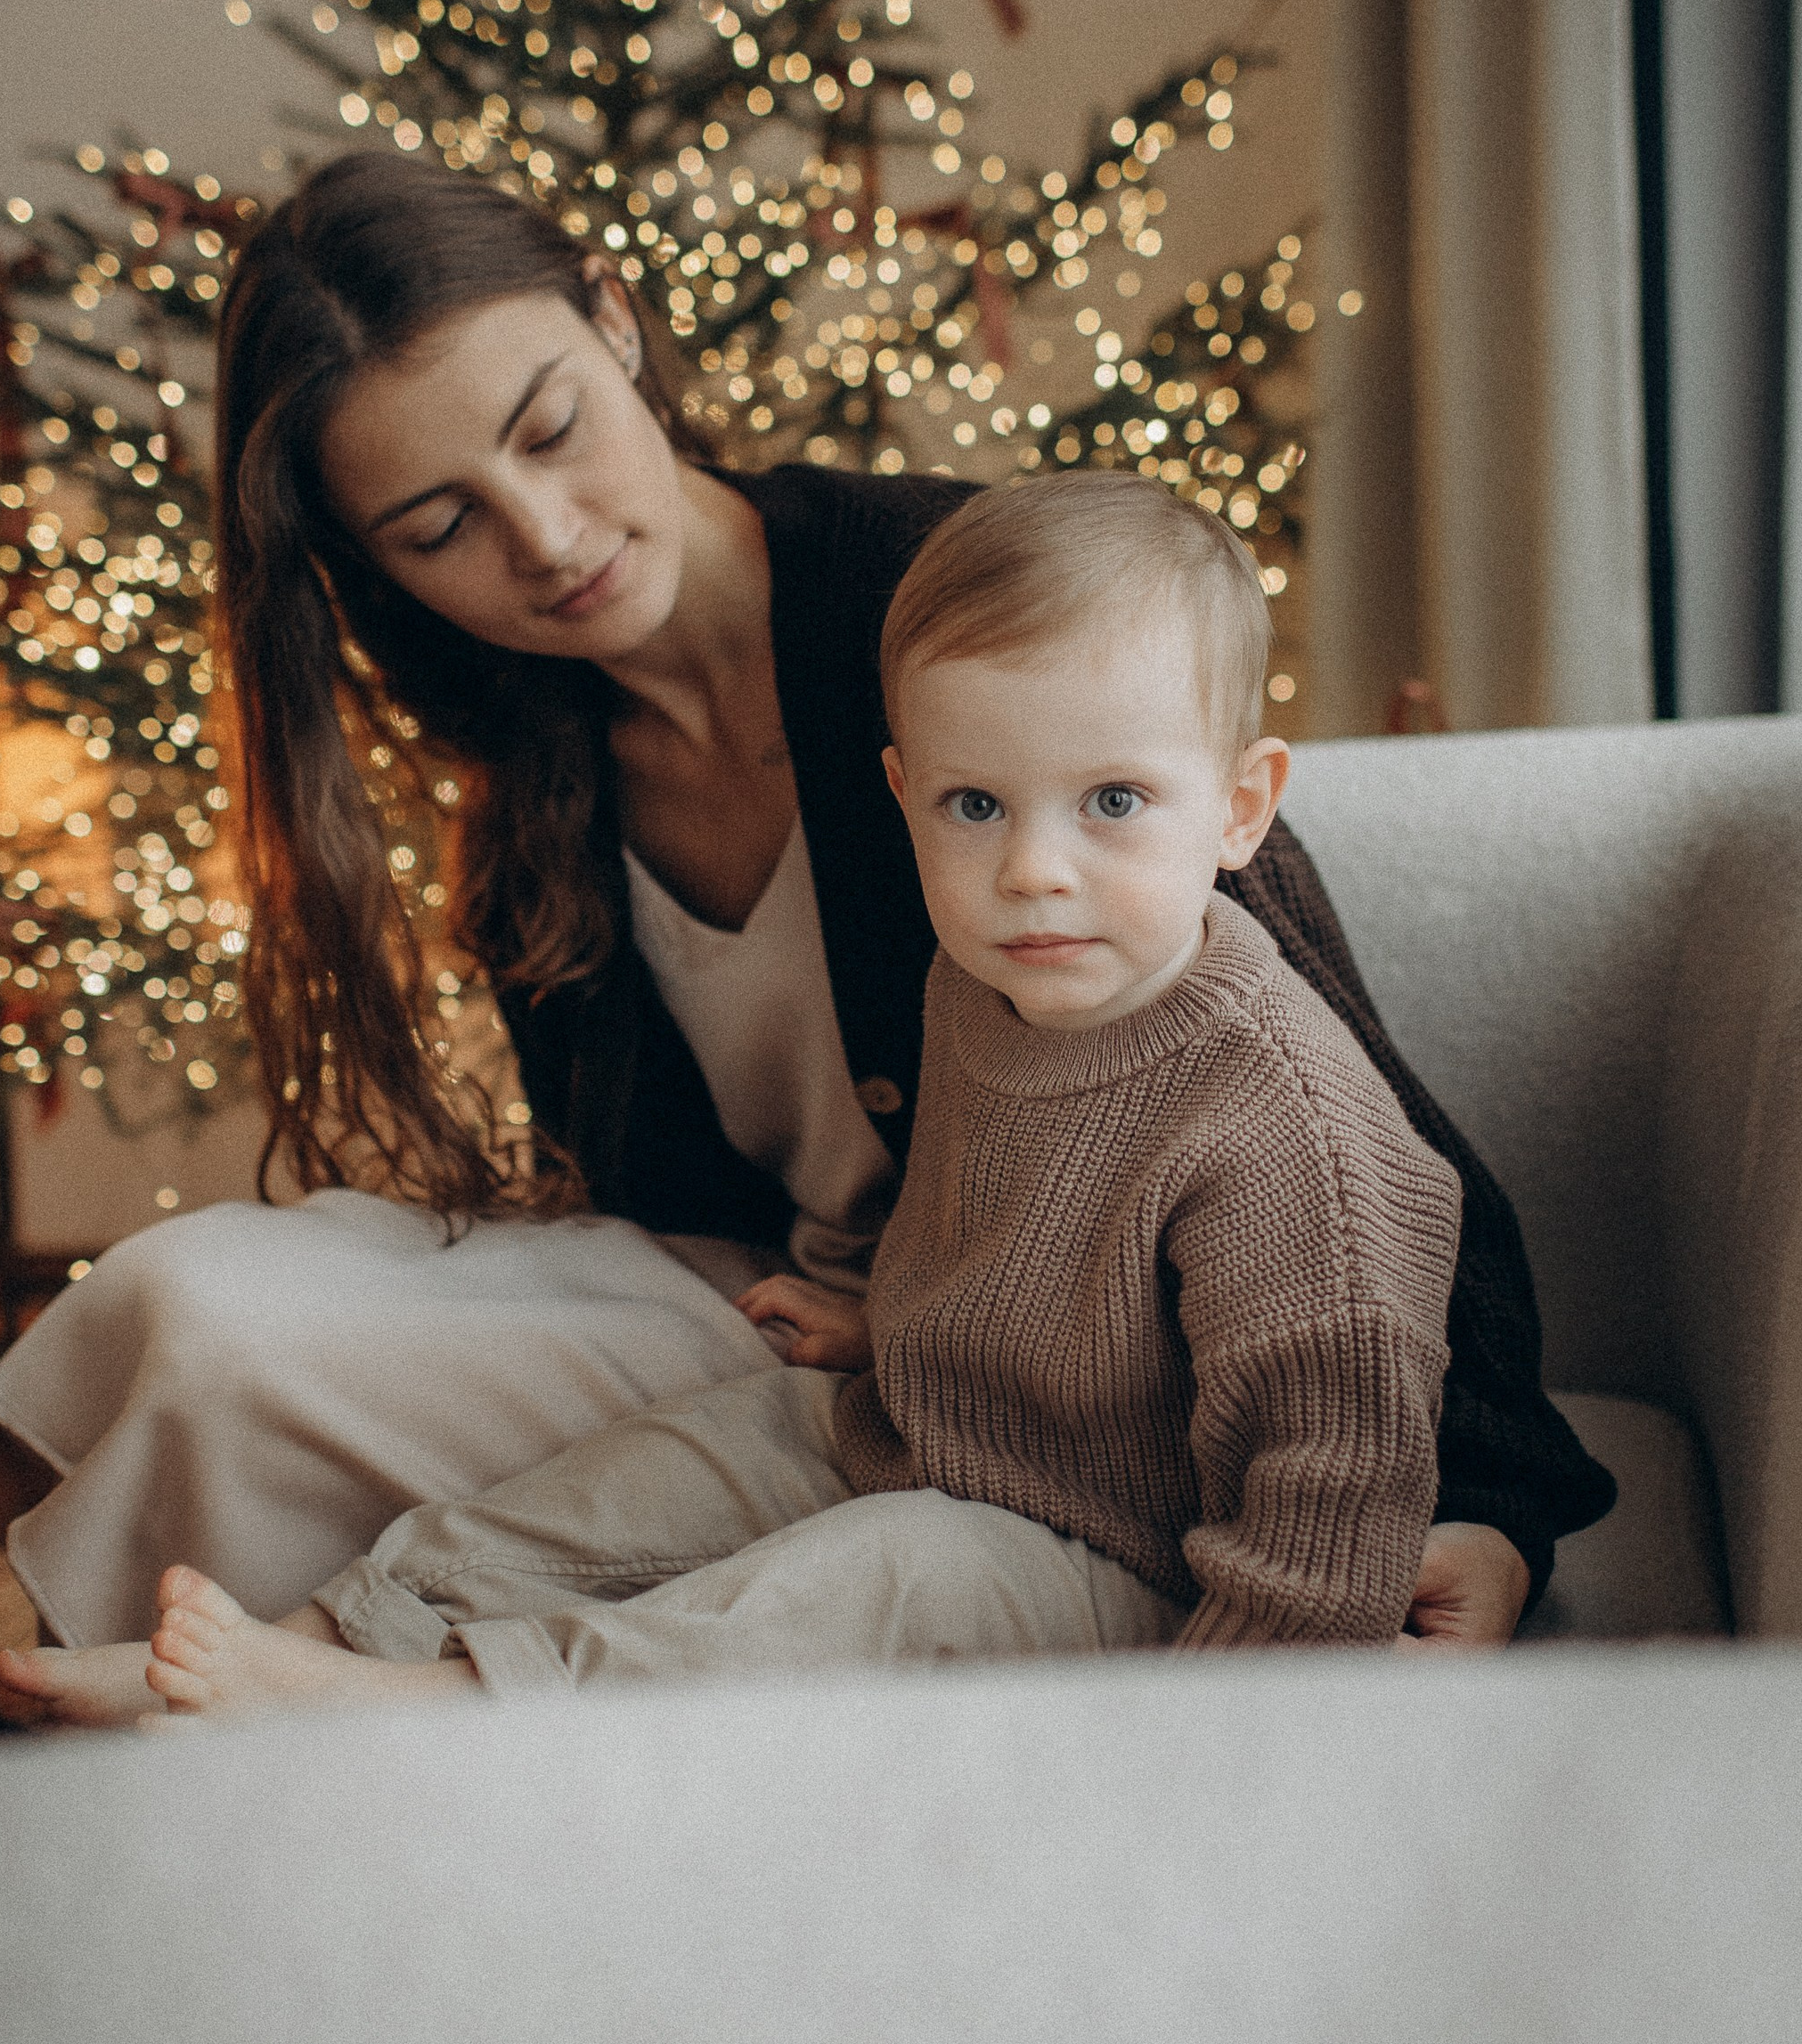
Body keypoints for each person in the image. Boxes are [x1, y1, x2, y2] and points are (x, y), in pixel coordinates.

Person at [0, 151, 1611, 1726]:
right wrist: (881, 1317)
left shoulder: (965, 623)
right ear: (370, 567)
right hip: (847, 1329)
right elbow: (680, 1207)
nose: (543, 539)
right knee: (197, 1307)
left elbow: (1358, 1157)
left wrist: (1484, 1508)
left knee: (839, 1570)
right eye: (437, 527)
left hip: (1079, 1436)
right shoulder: (530, 777)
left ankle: (401, 1708)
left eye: (550, 430)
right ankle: (258, 1664)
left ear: (615, 321)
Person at [127, 470, 1465, 1716]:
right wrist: (887, 1316)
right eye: (975, 806)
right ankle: (326, 1637)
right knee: (652, 1473)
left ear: (1240, 808)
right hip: (936, 1426)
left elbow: (1329, 1508)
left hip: (1134, 1565)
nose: (1033, 871)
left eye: (1112, 800)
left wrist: (1200, 1742)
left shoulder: (1285, 1124)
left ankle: (438, 1708)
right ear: (903, 794)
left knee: (861, 1584)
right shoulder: (986, 983)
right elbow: (1016, 1251)